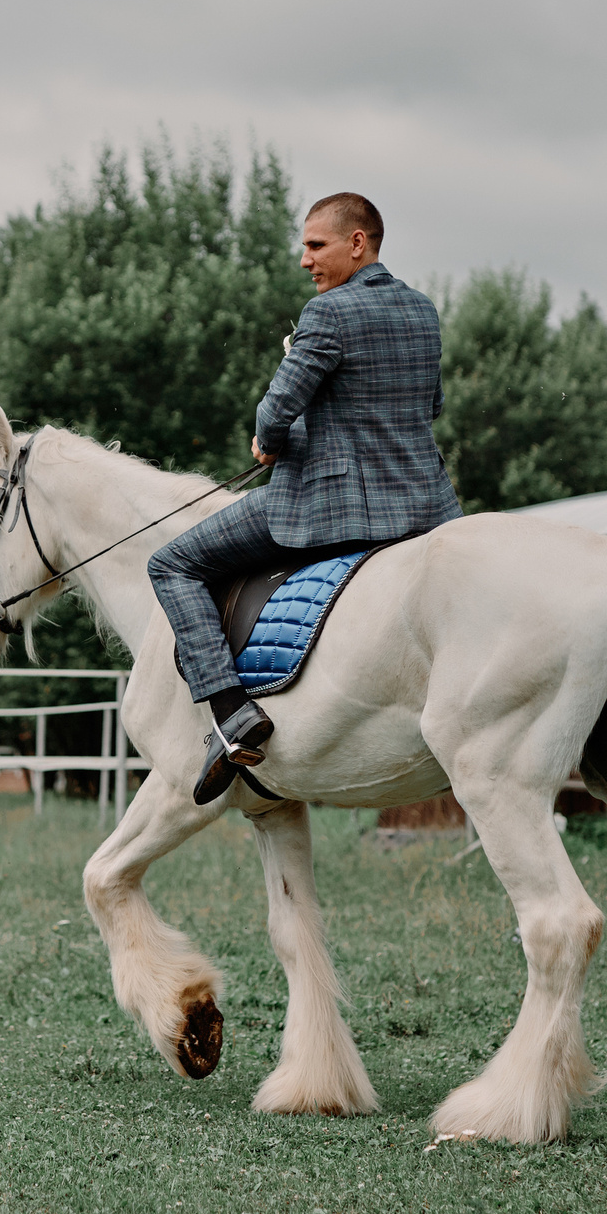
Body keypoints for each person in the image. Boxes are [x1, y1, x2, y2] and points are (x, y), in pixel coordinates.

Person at [147, 192, 462, 804]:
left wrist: (270, 438)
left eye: (315, 245)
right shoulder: (422, 312)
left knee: (172, 564)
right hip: (424, 509)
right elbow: (428, 410)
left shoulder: (327, 315)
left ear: (357, 244)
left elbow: (275, 413)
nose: (304, 260)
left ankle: (231, 711)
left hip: (332, 510)